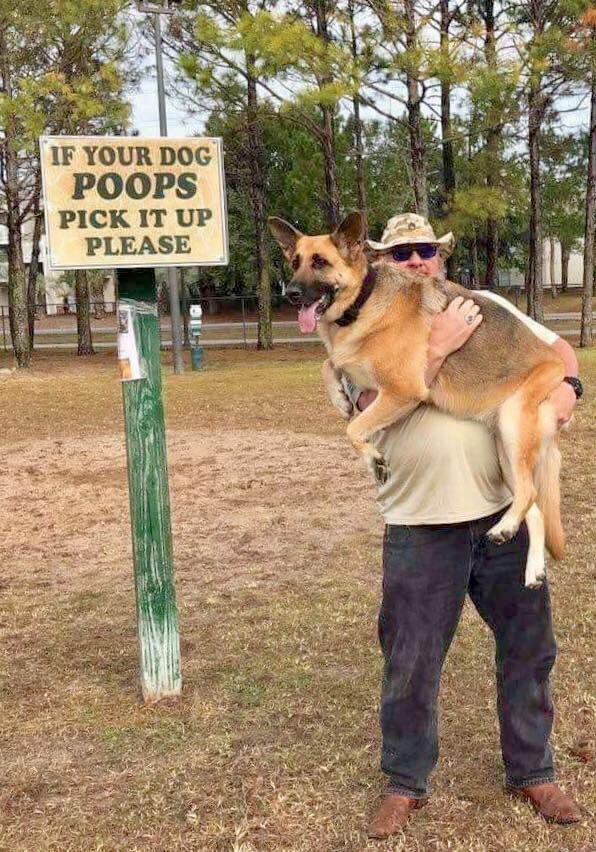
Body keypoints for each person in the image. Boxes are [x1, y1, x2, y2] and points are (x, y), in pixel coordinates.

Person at [337, 213, 583, 839]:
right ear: (381, 259)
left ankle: (533, 770)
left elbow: (556, 352)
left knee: (530, 648)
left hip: (500, 515)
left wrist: (569, 389)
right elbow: (371, 404)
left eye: (425, 250)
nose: (415, 260)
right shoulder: (355, 330)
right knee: (411, 660)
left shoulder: (484, 305)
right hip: (421, 525)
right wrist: (438, 345)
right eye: (401, 251)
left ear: (440, 256)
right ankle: (404, 783)